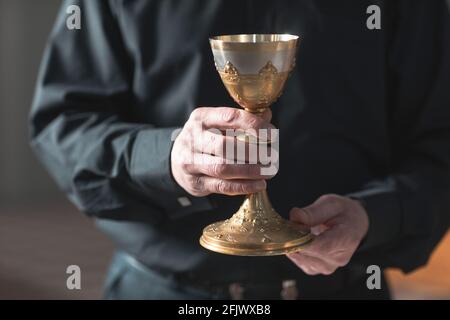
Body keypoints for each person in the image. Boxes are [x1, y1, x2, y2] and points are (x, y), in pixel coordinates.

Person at [30, 0, 450, 299]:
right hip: (163, 288)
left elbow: (440, 141)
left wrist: (373, 215)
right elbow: (64, 126)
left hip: (343, 287)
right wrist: (166, 157)